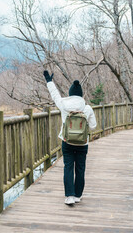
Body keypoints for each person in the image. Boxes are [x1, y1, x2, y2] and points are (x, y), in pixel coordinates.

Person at [43, 70, 97, 205]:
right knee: (80, 168)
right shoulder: (87, 108)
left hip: (67, 141)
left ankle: (69, 196)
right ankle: (78, 195)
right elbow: (93, 126)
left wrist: (49, 81)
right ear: (81, 95)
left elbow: (55, 95)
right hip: (82, 143)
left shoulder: (63, 105)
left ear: (70, 94)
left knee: (68, 167)